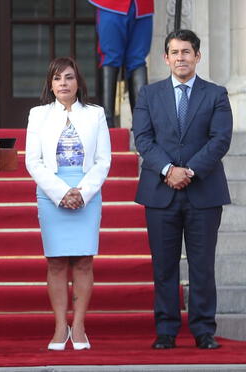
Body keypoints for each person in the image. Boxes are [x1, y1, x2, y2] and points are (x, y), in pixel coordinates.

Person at [132, 29, 233, 350]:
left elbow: (220, 139)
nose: (180, 58)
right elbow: (143, 139)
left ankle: (204, 330)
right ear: (166, 58)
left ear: (197, 56)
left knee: (202, 265)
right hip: (160, 193)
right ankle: (166, 330)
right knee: (164, 266)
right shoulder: (149, 94)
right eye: (174, 52)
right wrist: (167, 170)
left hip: (203, 191)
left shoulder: (216, 94)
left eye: (186, 52)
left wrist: (188, 171)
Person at [25, 57, 111, 351]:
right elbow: (32, 161)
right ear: (50, 84)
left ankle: (80, 326)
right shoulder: (38, 115)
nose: (63, 83)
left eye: (69, 77)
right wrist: (61, 192)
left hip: (87, 190)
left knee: (84, 261)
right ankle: (61, 325)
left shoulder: (95, 114)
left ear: (78, 82)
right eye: (57, 78)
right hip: (51, 191)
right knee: (57, 262)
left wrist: (82, 192)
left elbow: (103, 160)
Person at [89, 0, 153, 128]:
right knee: (110, 58)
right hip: (111, 4)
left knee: (137, 60)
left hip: (141, 5)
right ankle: (106, 125)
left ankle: (142, 126)